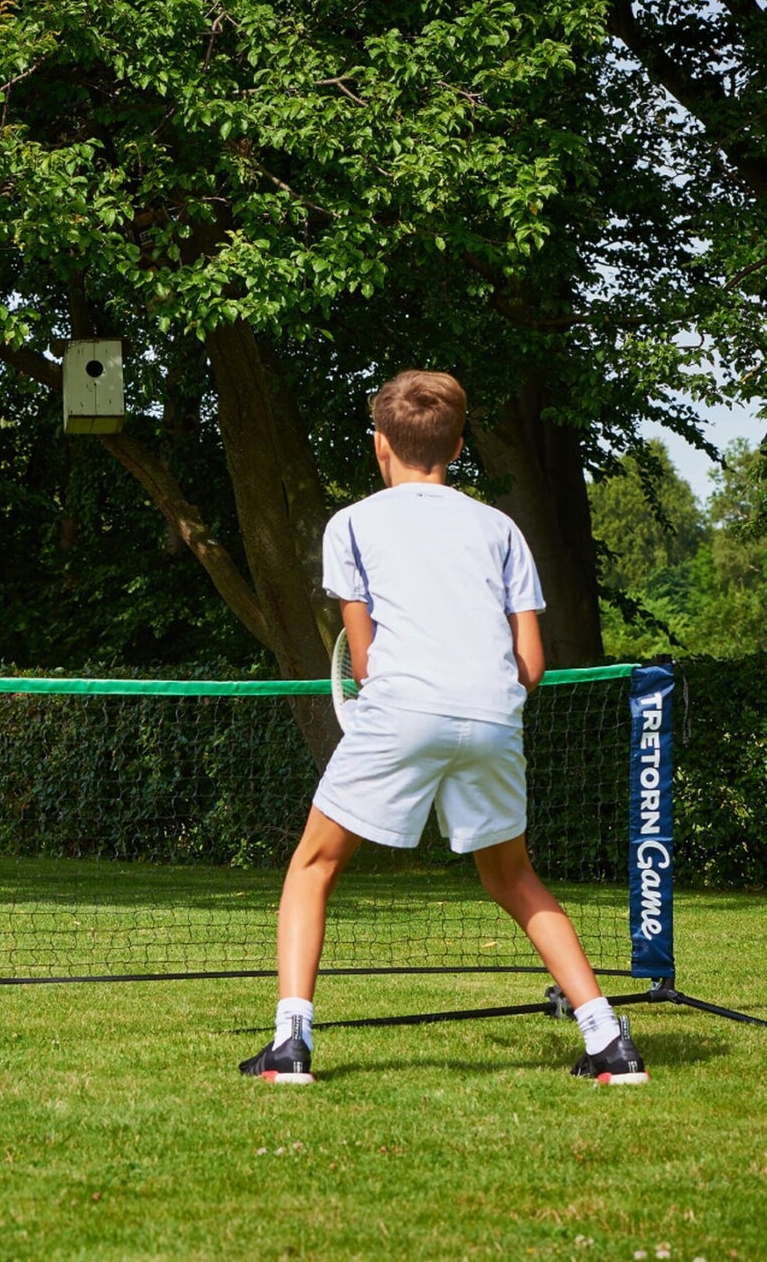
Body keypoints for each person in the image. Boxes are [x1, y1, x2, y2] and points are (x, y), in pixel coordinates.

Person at [240, 370, 648, 1086]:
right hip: (495, 713)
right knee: (513, 875)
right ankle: (607, 1039)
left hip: (401, 708)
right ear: (457, 447)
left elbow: (363, 662)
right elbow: (530, 663)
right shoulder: (500, 528)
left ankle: (289, 1046)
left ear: (379, 446)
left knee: (312, 866)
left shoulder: (351, 524)